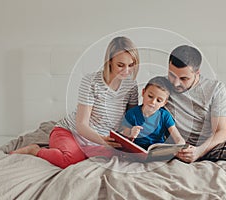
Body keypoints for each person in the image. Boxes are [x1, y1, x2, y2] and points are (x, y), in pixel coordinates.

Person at [11, 36, 140, 168]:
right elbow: (81, 125)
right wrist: (102, 140)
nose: (126, 71)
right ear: (110, 61)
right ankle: (34, 150)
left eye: (131, 65)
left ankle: (85, 151)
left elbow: (129, 119)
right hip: (71, 132)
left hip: (102, 142)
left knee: (124, 158)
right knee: (71, 159)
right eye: (120, 65)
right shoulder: (91, 81)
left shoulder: (131, 86)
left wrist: (130, 133)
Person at [121, 76, 185, 150]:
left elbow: (178, 138)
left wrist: (180, 146)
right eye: (150, 96)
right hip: (136, 151)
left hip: (156, 151)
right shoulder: (132, 114)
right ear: (143, 93)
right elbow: (124, 140)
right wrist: (131, 136)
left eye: (159, 100)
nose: (153, 102)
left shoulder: (165, 116)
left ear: (164, 103)